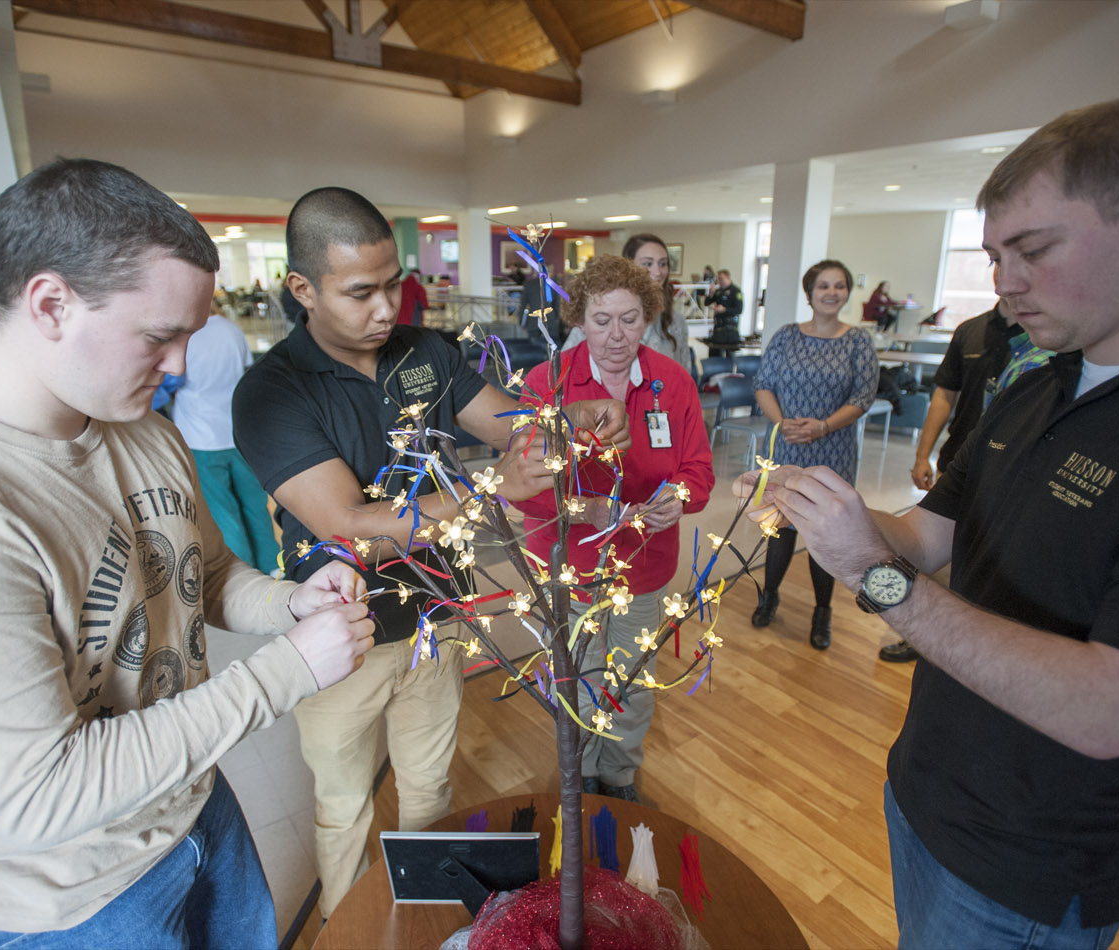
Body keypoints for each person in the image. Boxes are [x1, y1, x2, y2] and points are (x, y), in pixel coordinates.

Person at [739, 100, 1119, 949]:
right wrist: (830, 510)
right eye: (994, 256)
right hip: (928, 793)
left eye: (1033, 249)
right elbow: (931, 534)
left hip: (1032, 862)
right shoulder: (1039, 384)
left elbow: (1113, 710)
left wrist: (872, 575)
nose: (1004, 282)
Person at [0, 158, 376, 949]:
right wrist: (288, 671)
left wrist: (291, 601)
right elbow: (37, 794)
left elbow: (209, 573)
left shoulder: (142, 429)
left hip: (191, 806)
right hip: (58, 902)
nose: (181, 367)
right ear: (51, 304)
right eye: (160, 337)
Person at [231, 187, 629, 919]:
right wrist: (489, 489)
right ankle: (344, 927)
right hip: (337, 637)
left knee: (428, 790)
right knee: (343, 805)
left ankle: (419, 922)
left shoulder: (424, 352)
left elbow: (512, 426)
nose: (386, 308)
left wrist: (572, 418)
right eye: (360, 293)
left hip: (440, 617)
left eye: (393, 284)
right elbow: (348, 523)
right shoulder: (269, 393)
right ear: (302, 289)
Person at [519, 255, 713, 803]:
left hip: (643, 568)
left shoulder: (671, 383)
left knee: (631, 683)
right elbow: (526, 486)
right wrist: (586, 511)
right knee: (578, 680)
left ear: (648, 318)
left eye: (630, 319)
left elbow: (698, 469)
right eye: (601, 320)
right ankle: (577, 776)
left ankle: (621, 776)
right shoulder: (547, 383)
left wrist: (679, 498)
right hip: (568, 562)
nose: (616, 335)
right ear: (578, 318)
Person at [881, 297, 1049, 663]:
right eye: (997, 260)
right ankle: (928, 636)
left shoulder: (1045, 337)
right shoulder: (970, 332)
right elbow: (944, 394)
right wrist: (922, 453)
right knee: (944, 553)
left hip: (1019, 475)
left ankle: (974, 644)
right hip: (961, 460)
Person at [750, 260, 878, 648]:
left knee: (826, 530)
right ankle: (769, 595)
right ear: (809, 294)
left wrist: (823, 426)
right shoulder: (786, 336)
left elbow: (863, 396)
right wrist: (781, 423)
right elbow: (763, 384)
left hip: (832, 449)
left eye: (839, 286)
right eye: (823, 286)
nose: (831, 292)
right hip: (786, 443)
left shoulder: (857, 341)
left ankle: (823, 611)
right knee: (781, 524)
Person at [169, 297, 281, 573]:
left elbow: (172, 381)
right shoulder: (232, 329)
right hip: (237, 433)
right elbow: (244, 370)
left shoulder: (185, 337)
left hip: (201, 438)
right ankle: (273, 566)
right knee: (255, 505)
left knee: (224, 512)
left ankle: (243, 572)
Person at [563, 233, 690, 365]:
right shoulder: (597, 318)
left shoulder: (675, 321)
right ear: (628, 267)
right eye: (648, 263)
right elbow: (563, 372)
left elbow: (684, 373)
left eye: (663, 264)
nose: (657, 272)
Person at [706, 268, 743, 357]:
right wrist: (711, 293)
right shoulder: (719, 291)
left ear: (728, 277)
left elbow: (739, 310)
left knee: (729, 356)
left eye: (721, 279)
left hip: (730, 329)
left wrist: (724, 310)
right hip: (718, 328)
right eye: (718, 279)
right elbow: (706, 303)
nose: (719, 281)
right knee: (714, 354)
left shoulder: (736, 291)